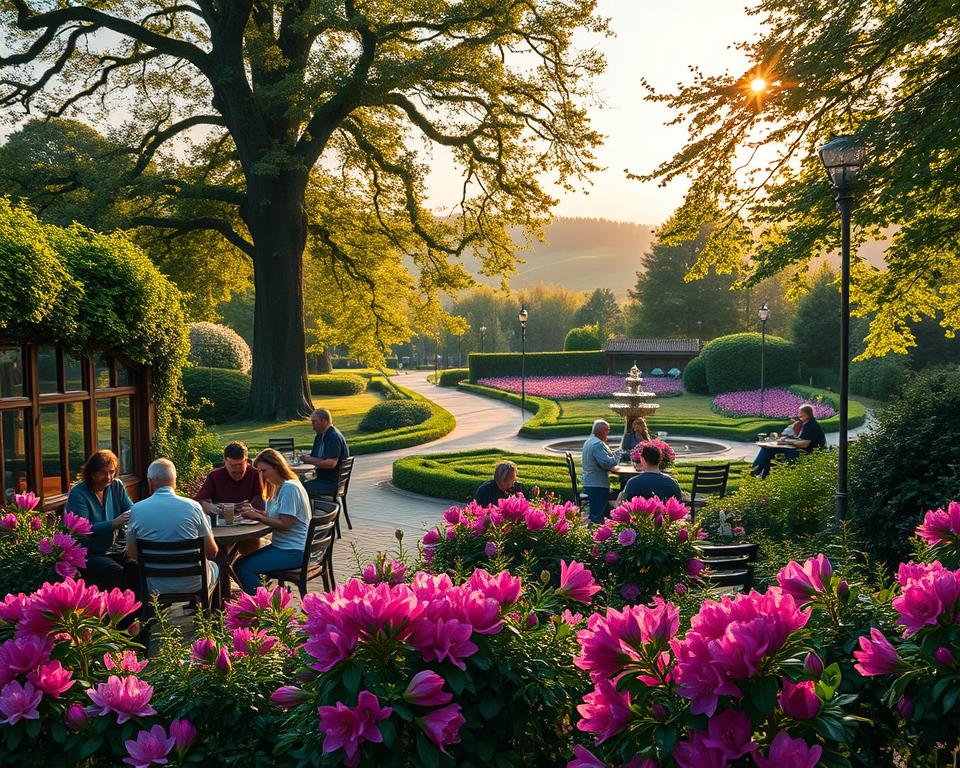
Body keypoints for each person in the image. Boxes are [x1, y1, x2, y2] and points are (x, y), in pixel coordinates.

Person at [126, 459, 219, 596]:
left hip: (155, 584)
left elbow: (132, 553)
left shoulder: (137, 509)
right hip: (194, 582)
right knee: (215, 566)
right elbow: (212, 552)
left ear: (150, 482)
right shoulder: (193, 507)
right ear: (174, 481)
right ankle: (209, 613)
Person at [235, 449, 311, 594]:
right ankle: (262, 601)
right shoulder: (280, 487)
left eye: (264, 470)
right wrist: (255, 511)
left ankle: (263, 609)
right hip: (283, 546)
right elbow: (277, 516)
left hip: (294, 551)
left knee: (244, 567)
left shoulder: (290, 488)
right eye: (259, 472)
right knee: (239, 562)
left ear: (277, 466)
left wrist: (258, 517)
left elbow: (285, 523)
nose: (262, 475)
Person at [65, 450, 133, 590]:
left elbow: (131, 509)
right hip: (89, 552)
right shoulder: (79, 494)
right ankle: (108, 609)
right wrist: (113, 523)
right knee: (113, 570)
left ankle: (139, 609)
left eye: (111, 472)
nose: (108, 477)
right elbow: (82, 529)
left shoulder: (116, 486)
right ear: (92, 473)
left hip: (116, 549)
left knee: (136, 567)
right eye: (103, 472)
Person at [751, 403, 827, 479]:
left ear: (808, 414)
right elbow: (799, 439)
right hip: (801, 449)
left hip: (807, 452)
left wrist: (786, 442)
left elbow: (804, 444)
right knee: (767, 449)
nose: (799, 415)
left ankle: (755, 473)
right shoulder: (805, 424)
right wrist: (785, 440)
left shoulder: (812, 426)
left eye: (801, 413)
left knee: (770, 449)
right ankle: (762, 474)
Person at [194, 441, 265, 513]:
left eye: (240, 464)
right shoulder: (215, 476)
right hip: (223, 519)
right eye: (233, 465)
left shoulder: (256, 474)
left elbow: (264, 498)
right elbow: (199, 501)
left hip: (252, 519)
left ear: (246, 460)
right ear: (225, 461)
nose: (237, 468)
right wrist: (208, 506)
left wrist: (251, 507)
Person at [301, 408, 349, 498]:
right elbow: (315, 456)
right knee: (299, 480)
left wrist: (308, 460)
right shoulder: (320, 436)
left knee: (300, 487)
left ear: (324, 421)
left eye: (314, 422)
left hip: (331, 483)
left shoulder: (333, 437)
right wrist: (305, 457)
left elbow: (331, 464)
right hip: (322, 478)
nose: (313, 427)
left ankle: (312, 509)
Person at [582, 419, 621, 524]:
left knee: (602, 511)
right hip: (597, 484)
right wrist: (618, 455)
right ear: (599, 430)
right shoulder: (597, 444)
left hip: (590, 482)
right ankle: (597, 534)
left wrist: (612, 454)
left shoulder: (590, 441)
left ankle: (602, 529)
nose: (608, 432)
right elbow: (607, 463)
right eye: (607, 430)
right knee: (598, 514)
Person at [619, 444, 683, 503]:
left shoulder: (632, 483)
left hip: (640, 515)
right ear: (660, 460)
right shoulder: (672, 482)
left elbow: (625, 505)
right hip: (666, 515)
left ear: (642, 459)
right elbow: (679, 503)